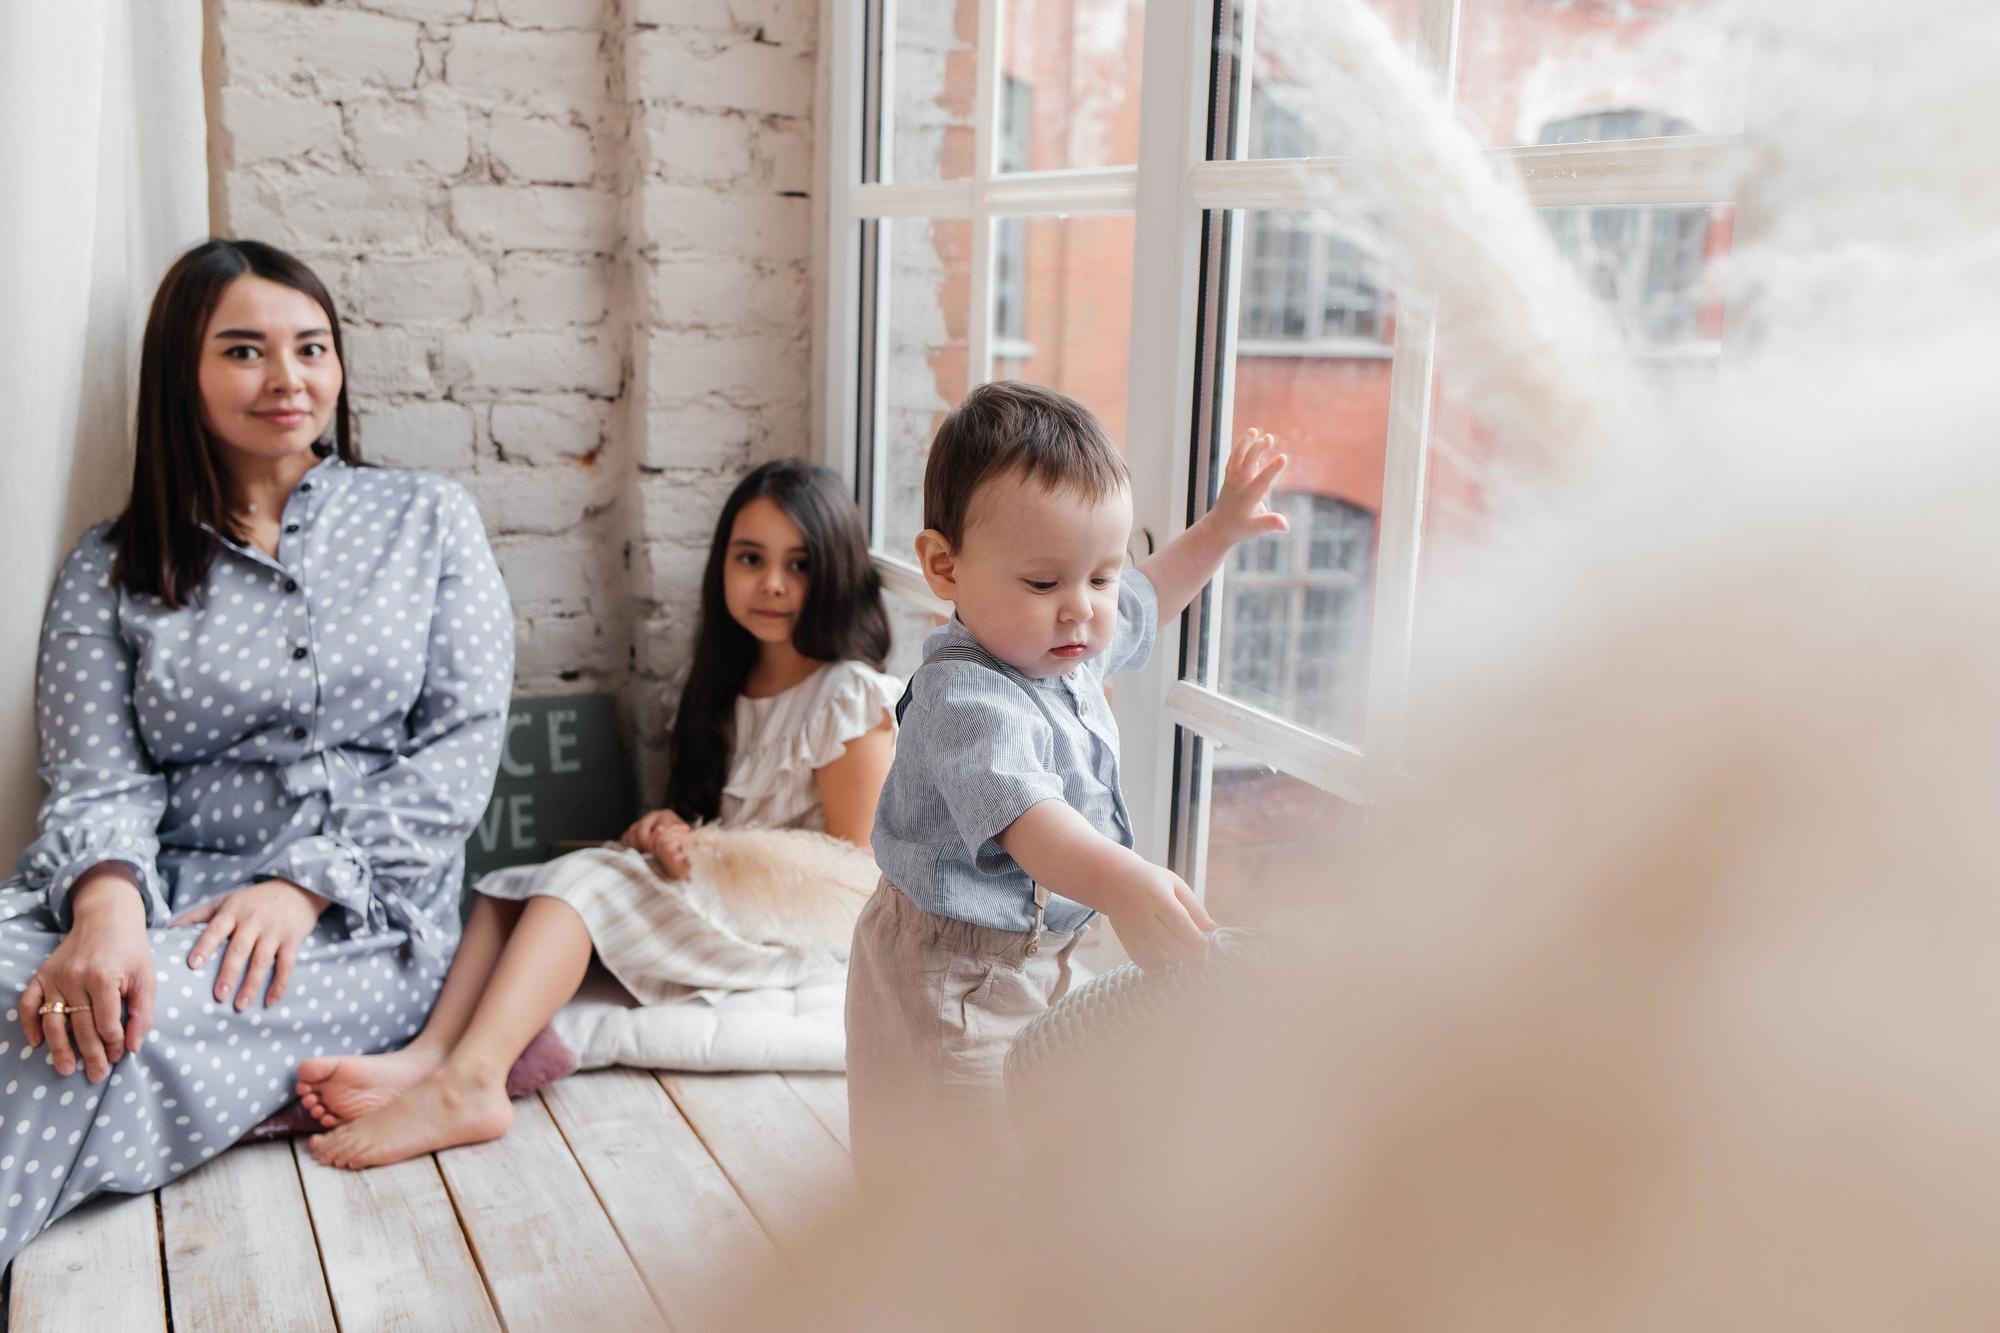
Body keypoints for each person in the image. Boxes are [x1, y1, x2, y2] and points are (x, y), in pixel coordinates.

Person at [0, 239, 513, 1270]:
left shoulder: (427, 519)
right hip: (154, 888)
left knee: (75, 1042)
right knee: (46, 991)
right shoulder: (111, 564)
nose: (288, 379)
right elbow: (98, 774)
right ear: (181, 374)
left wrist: (300, 886)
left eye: (311, 348)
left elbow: (460, 746)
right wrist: (106, 910)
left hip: (358, 922)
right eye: (244, 351)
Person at [299, 460, 899, 1168]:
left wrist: (716, 854)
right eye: (750, 558)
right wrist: (665, 828)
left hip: (786, 932)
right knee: (511, 889)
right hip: (716, 899)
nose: (771, 583)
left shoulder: (847, 698)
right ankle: (428, 1056)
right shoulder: (715, 686)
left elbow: (852, 875)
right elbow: (700, 816)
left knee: (583, 881)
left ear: (834, 572)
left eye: (798, 564)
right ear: (722, 566)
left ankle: (473, 1083)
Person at [845, 380, 1288, 1184]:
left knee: (1037, 1126)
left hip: (1036, 952)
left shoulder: (1062, 642)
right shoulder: (966, 697)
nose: (1082, 611)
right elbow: (1031, 820)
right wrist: (1123, 881)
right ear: (945, 567)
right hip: (952, 973)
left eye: (1099, 577)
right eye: (1046, 583)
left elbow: (1149, 596)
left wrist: (1220, 530)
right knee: (955, 1157)